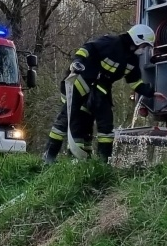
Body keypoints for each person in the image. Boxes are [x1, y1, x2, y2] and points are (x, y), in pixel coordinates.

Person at [44, 24, 155, 165]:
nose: (144, 49)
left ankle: (103, 163)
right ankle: (49, 157)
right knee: (68, 119)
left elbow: (134, 82)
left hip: (100, 91)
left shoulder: (132, 60)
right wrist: (78, 62)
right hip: (81, 83)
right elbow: (87, 48)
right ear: (138, 39)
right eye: (145, 45)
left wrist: (150, 92)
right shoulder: (111, 42)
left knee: (106, 125)